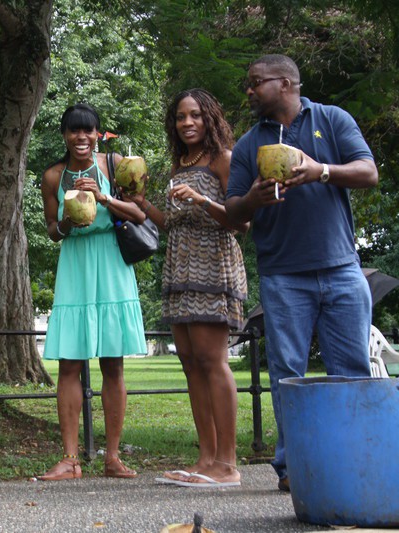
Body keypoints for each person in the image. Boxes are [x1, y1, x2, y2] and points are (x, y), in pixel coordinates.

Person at [225, 54, 379, 492]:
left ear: (286, 83)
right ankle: (294, 468)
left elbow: (368, 172)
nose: (249, 91)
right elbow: (233, 210)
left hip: (342, 270)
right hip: (283, 276)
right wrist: (253, 198)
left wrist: (321, 171)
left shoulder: (331, 119)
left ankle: (352, 459)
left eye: (256, 83)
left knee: (351, 370)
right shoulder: (250, 143)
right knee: (287, 374)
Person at [129, 89, 248, 488]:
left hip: (213, 268)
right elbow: (171, 223)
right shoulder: (179, 164)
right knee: (190, 364)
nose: (187, 123)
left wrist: (200, 198)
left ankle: (228, 465)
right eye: (181, 117)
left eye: (195, 115)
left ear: (210, 118)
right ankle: (206, 458)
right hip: (180, 269)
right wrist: (143, 204)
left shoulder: (224, 159)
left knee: (213, 362)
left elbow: (240, 222)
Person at [38, 103, 148, 481]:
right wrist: (67, 220)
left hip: (112, 263)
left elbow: (140, 214)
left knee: (113, 363)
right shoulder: (53, 176)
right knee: (69, 362)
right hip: (76, 264)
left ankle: (113, 458)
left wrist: (103, 199)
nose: (81, 137)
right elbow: (52, 232)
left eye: (88, 131)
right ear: (65, 135)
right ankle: (70, 459)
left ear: (98, 134)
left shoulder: (115, 165)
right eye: (73, 131)